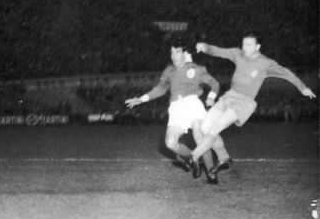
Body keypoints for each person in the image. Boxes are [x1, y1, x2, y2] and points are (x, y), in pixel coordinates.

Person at [189, 34, 316, 176]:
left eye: (249, 45)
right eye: (243, 44)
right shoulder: (238, 54)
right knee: (205, 127)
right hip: (229, 96)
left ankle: (193, 156)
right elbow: (218, 51)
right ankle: (224, 159)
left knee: (215, 129)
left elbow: (286, 73)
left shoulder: (266, 63)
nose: (244, 47)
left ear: (257, 47)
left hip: (243, 102)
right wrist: (205, 47)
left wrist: (302, 87)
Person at [125, 42, 230, 184]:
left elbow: (214, 84)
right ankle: (193, 159)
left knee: (200, 138)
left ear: (185, 53)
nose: (173, 56)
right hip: (176, 108)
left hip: (193, 104)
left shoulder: (196, 69)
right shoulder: (169, 71)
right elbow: (161, 88)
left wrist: (211, 98)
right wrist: (142, 99)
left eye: (177, 52)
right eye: (172, 52)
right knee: (170, 143)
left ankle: (211, 172)